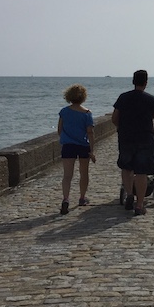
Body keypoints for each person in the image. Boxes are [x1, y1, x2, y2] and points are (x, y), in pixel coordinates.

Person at [112, 69, 154, 216]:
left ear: (133, 81)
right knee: (141, 171)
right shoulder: (151, 99)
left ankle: (129, 194)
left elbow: (114, 119)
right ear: (146, 82)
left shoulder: (123, 98)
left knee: (127, 167)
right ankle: (139, 205)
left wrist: (122, 128)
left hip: (126, 138)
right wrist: (153, 131)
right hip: (145, 139)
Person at [57, 83, 96, 215]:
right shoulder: (87, 113)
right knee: (83, 173)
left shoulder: (64, 112)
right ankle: (82, 197)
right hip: (83, 146)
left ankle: (66, 198)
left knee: (67, 175)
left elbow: (59, 130)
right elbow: (90, 133)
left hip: (68, 146)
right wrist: (92, 150)